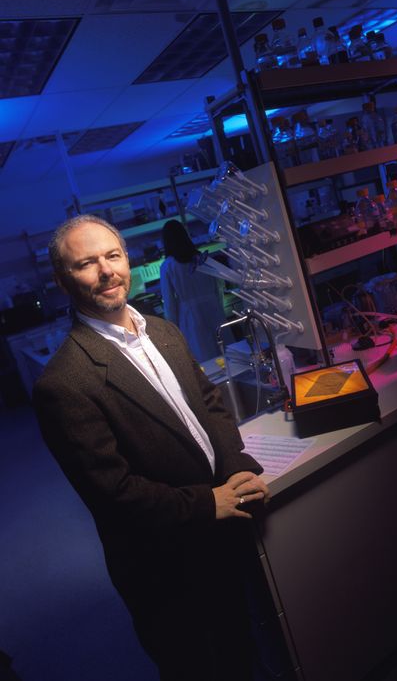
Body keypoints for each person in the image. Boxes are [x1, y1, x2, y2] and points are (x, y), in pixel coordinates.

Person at [33, 215, 270, 681]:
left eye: (112, 255)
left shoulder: (162, 331)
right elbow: (113, 492)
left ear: (127, 260)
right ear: (64, 281)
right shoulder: (63, 383)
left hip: (222, 536)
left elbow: (210, 406)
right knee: (196, 666)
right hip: (165, 565)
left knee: (242, 649)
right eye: (86, 263)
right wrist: (207, 503)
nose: (105, 271)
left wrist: (237, 464)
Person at [160, 219, 227, 361]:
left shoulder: (168, 266)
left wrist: (173, 330)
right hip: (214, 310)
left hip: (190, 317)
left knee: (206, 360)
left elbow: (169, 304)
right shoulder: (202, 258)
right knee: (227, 355)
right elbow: (218, 288)